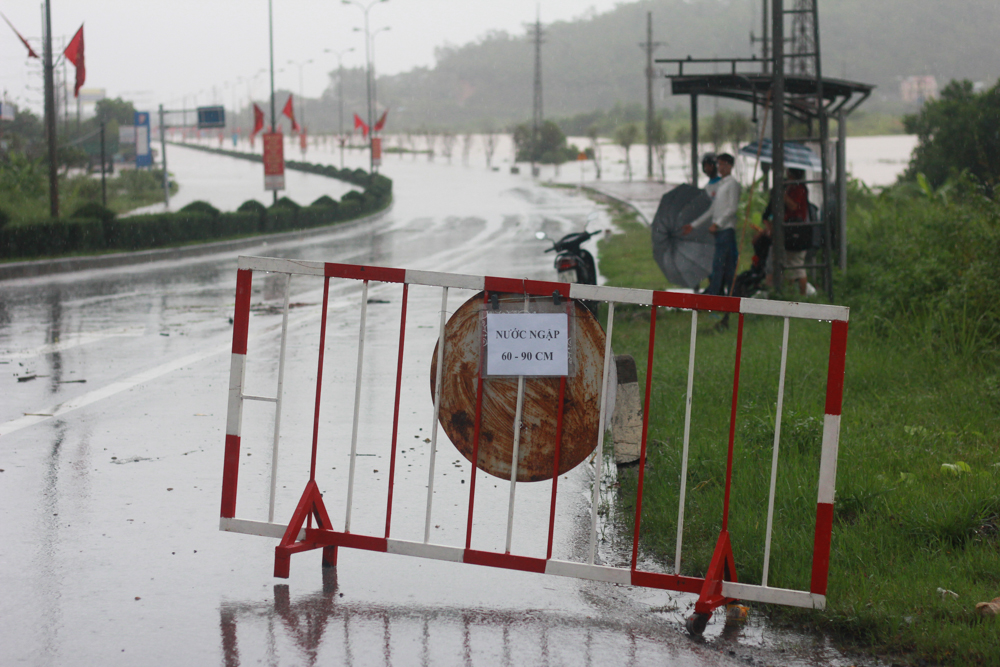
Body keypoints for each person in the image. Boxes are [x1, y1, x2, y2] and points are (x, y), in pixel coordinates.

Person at [682, 153, 741, 296]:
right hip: (720, 230)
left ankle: (715, 296)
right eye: (719, 164)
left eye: (722, 164)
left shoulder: (732, 184)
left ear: (729, 165)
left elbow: (732, 208)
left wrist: (718, 223)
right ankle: (731, 295)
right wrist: (694, 225)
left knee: (718, 265)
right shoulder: (721, 184)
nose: (719, 167)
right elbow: (712, 209)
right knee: (727, 266)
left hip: (726, 230)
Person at [762, 167, 810, 295]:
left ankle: (802, 295)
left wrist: (782, 195)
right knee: (789, 265)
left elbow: (794, 206)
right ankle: (790, 295)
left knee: (796, 265)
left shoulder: (799, 188)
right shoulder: (790, 187)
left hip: (796, 230)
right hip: (788, 230)